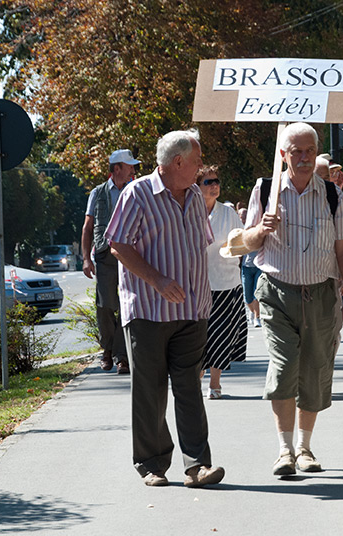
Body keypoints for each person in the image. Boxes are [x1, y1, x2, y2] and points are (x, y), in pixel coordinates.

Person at [105, 129, 225, 488]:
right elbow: (118, 245)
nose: (201, 166)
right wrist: (157, 280)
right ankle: (152, 464)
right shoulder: (137, 193)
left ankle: (197, 466)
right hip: (149, 311)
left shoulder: (195, 195)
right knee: (150, 391)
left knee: (189, 388)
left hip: (193, 310)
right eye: (197, 161)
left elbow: (200, 245)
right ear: (178, 161)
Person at [242, 122, 343, 476]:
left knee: (315, 369)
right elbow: (246, 243)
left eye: (310, 151)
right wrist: (261, 229)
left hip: (321, 295)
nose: (305, 158)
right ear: (283, 155)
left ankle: (305, 448)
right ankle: (284, 450)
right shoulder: (266, 189)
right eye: (297, 152)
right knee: (283, 368)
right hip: (277, 293)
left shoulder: (332, 194)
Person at [82, 149, 139, 374]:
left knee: (127, 304)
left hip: (130, 254)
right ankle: (107, 348)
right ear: (117, 168)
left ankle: (122, 357)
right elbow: (87, 227)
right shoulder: (97, 193)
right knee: (105, 305)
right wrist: (86, 259)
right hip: (105, 255)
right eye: (129, 166)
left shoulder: (136, 190)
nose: (133, 170)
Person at [196, 165, 248, 399]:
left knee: (220, 335)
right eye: (208, 182)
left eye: (216, 181)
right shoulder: (188, 210)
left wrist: (236, 250)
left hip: (226, 282)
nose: (214, 185)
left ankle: (214, 384)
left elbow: (241, 241)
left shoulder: (228, 213)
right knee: (198, 337)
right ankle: (195, 382)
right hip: (197, 285)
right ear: (197, 186)